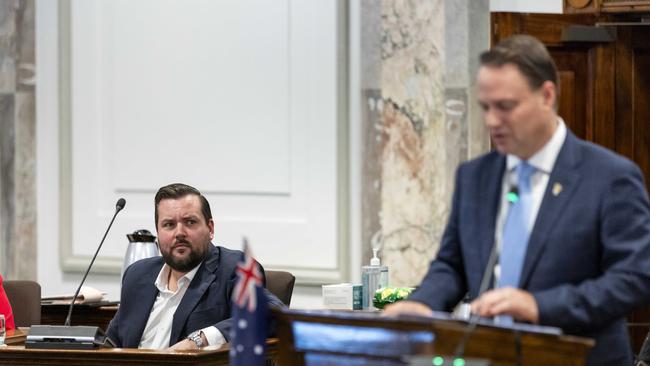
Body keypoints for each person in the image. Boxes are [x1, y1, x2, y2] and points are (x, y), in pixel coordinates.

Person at [384, 35, 650, 365]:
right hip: (490, 356)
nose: (492, 121)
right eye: (486, 107)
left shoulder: (610, 177)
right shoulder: (474, 176)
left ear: (547, 95)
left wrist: (539, 305)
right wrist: (423, 304)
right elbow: (452, 266)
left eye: (506, 107)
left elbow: (634, 278)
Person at [107, 183, 283, 349]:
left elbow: (275, 315)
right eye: (169, 225)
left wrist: (199, 340)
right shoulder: (137, 274)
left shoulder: (232, 269)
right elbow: (110, 344)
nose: (179, 233)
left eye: (190, 222)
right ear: (158, 232)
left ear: (210, 228)